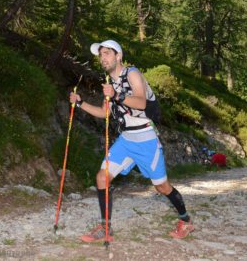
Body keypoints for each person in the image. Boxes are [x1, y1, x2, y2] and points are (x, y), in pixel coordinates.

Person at [69, 39, 194, 242]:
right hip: (126, 140)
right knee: (102, 178)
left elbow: (141, 101)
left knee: (162, 187)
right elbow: (104, 112)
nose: (103, 58)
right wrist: (81, 103)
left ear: (118, 56)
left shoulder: (132, 73)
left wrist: (116, 95)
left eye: (107, 53)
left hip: (146, 139)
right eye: (101, 55)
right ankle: (105, 227)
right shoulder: (110, 84)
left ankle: (185, 220)